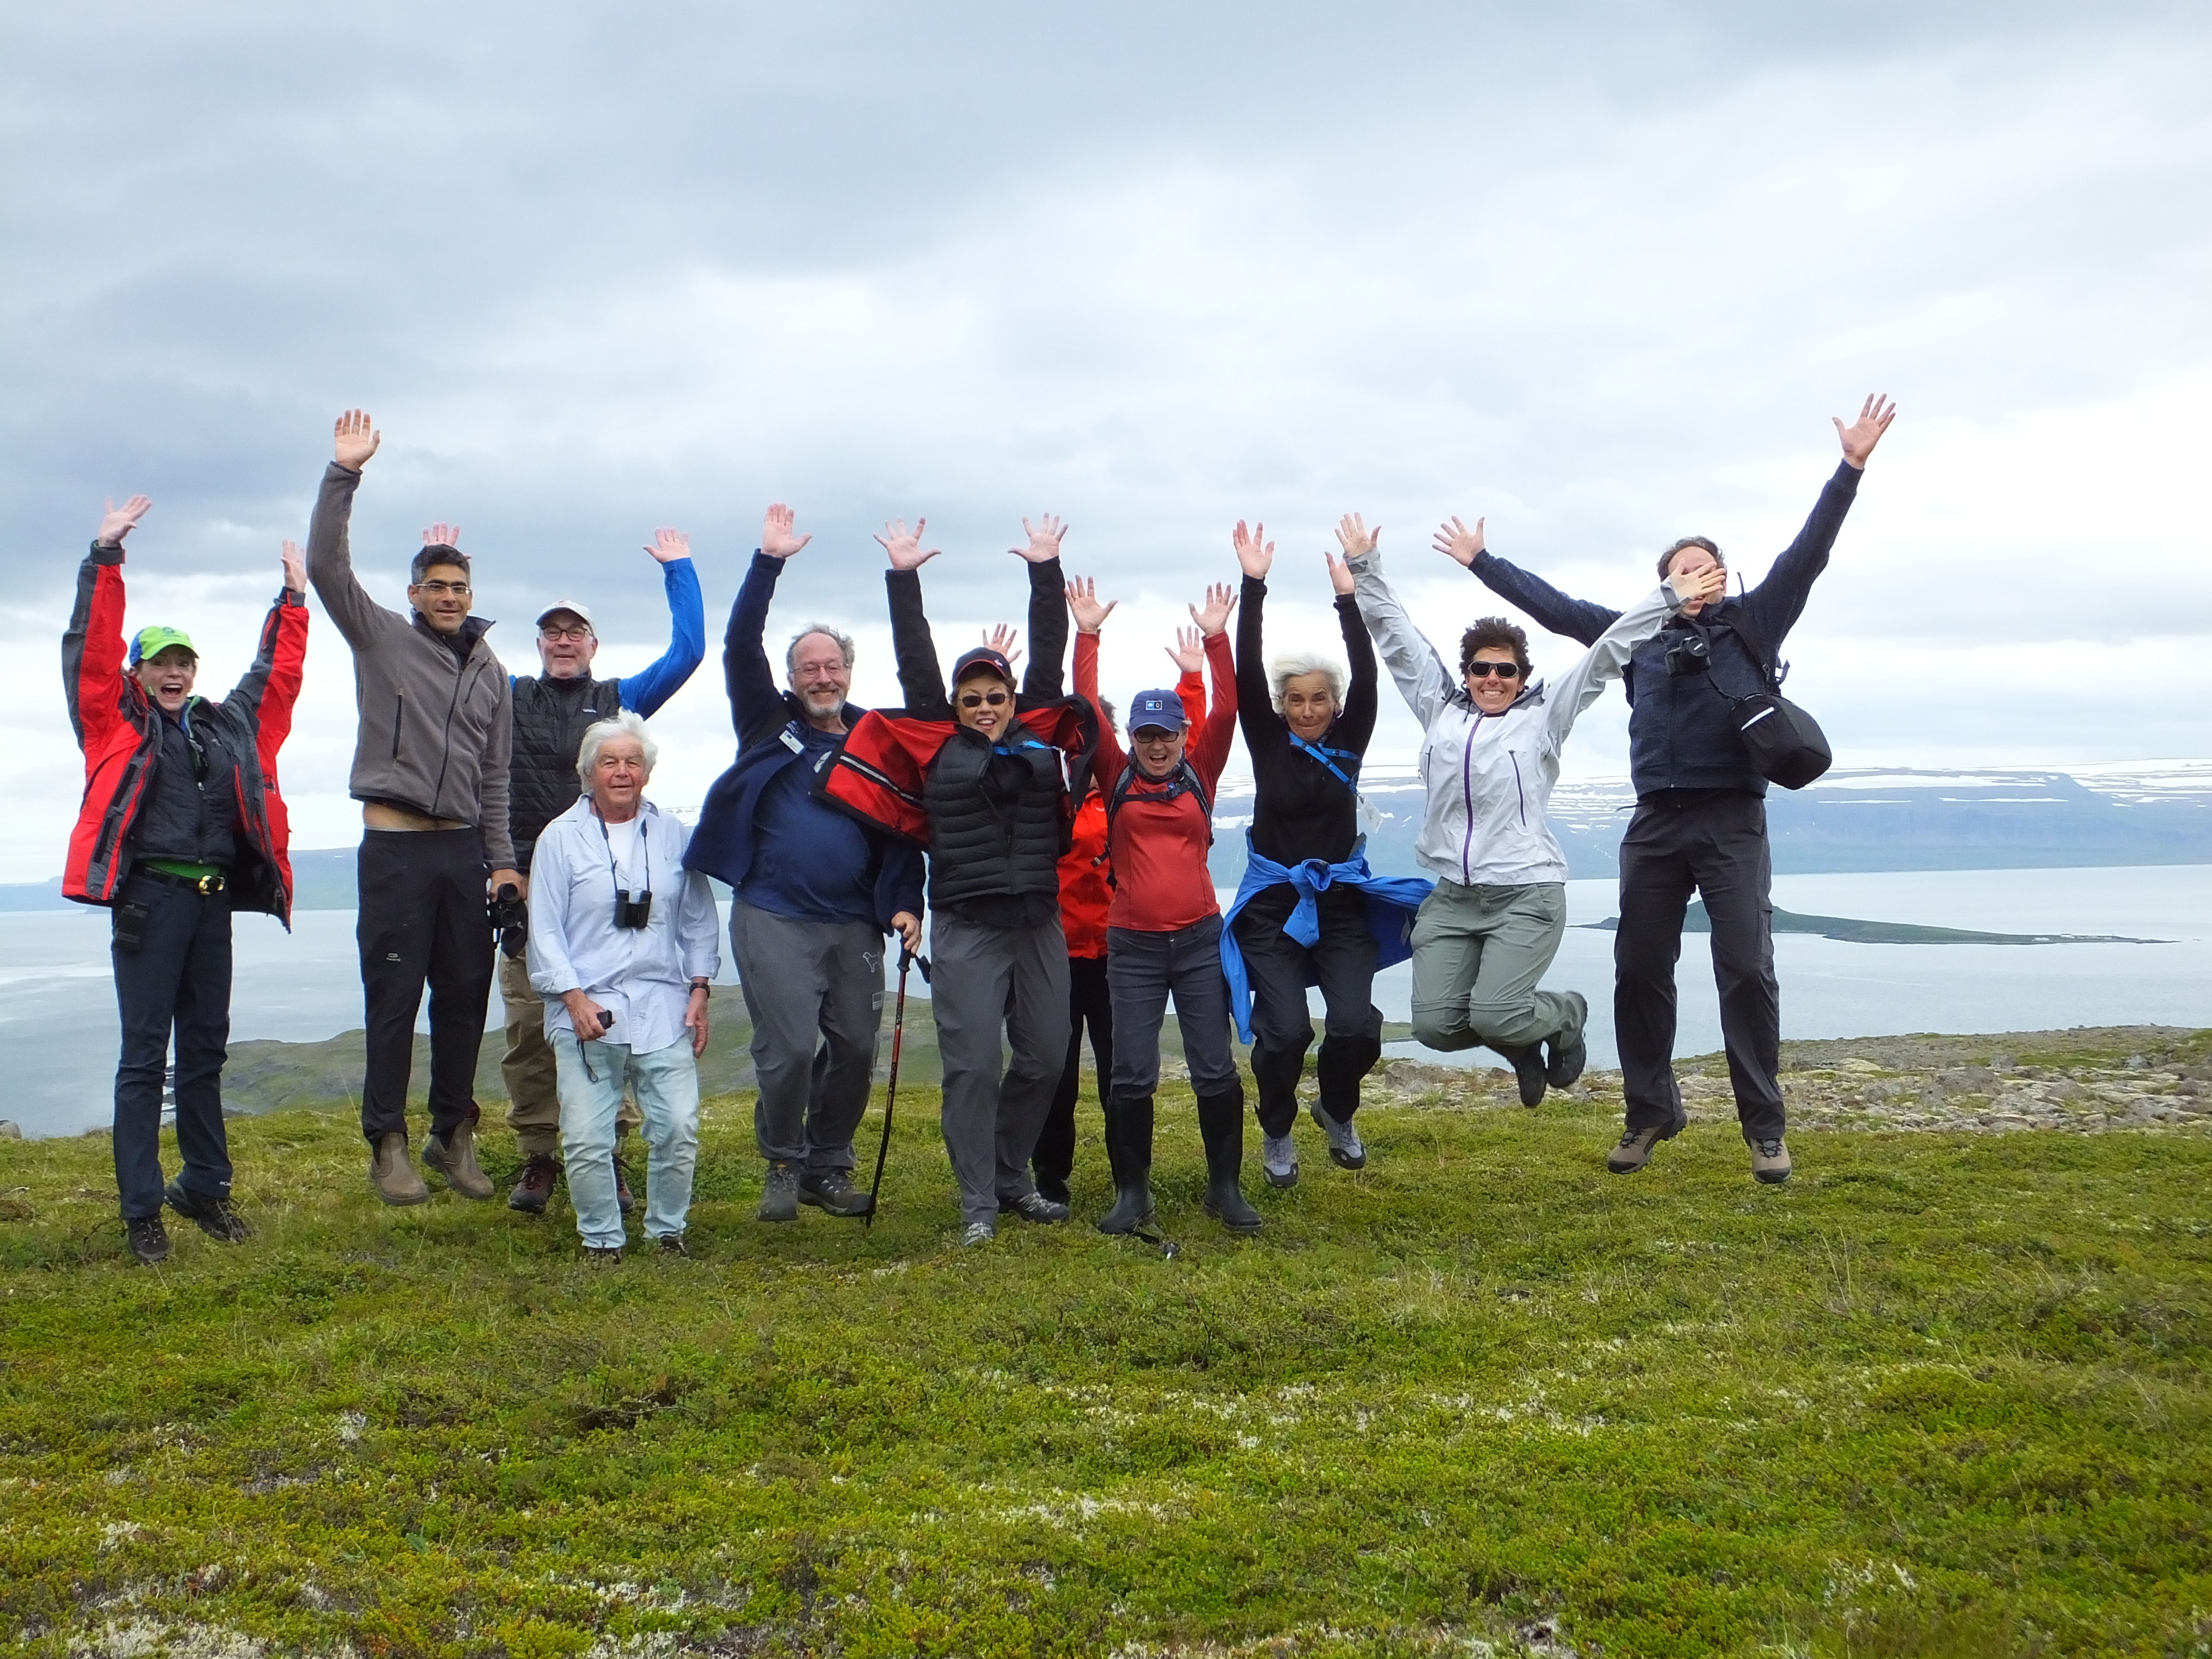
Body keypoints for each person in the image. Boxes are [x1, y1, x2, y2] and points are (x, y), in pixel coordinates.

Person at [1461, 395, 1898, 1183]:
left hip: (1731, 817)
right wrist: (1482, 562)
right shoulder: (1638, 636)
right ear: (1663, 583)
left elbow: (1808, 555)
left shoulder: (1752, 623)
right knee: (1637, 969)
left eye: (1705, 567)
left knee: (1746, 968)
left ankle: (1764, 1130)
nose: (1695, 578)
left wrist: (1849, 468)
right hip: (1655, 821)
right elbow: (1558, 611)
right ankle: (1649, 1113)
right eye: (1681, 570)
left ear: (1722, 577)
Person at [1343, 512, 1725, 1106]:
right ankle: (1524, 1045)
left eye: (1507, 670)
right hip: (1453, 897)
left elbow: (1610, 646)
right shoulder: (1439, 710)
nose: (1493, 679)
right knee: (1435, 1027)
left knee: (1497, 1012)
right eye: (1481, 669)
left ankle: (1564, 1015)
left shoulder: (1546, 715)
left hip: (1525, 895)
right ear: (1467, 674)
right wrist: (1365, 568)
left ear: (1522, 678)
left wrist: (1669, 597)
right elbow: (1397, 640)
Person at [816, 514, 1095, 1247]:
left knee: (1045, 1057)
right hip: (969, 926)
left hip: (1038, 921)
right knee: (972, 1067)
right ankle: (979, 1202)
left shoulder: (1037, 732)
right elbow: (915, 658)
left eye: (994, 697)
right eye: (971, 698)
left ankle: (1009, 1174)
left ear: (1011, 700)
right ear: (957, 704)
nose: (984, 708)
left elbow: (1048, 656)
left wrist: (1046, 569)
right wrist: (903, 575)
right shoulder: (936, 742)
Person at [64, 496, 310, 1264]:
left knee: (204, 1054)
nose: (173, 673)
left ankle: (204, 1187)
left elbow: (276, 679)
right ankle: (143, 1211)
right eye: (159, 663)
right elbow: (89, 654)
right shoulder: (114, 722)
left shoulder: (228, 726)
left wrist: (293, 600)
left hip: (211, 907)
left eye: (183, 663)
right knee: (145, 1059)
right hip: (150, 902)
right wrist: (105, 558)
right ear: (138, 673)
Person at [305, 409, 521, 1206]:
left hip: (463, 853)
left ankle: (451, 1134)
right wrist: (345, 474)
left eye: (459, 588)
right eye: (436, 586)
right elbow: (327, 568)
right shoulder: (382, 638)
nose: (449, 597)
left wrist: (503, 864)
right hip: (395, 849)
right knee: (395, 1000)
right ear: (413, 593)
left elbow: (495, 776)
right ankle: (387, 1142)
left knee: (464, 998)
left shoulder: (491, 672)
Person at [685, 504, 924, 1225]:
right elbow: (738, 646)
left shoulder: (877, 738)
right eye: (808, 668)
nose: (822, 676)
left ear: (849, 671)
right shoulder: (768, 723)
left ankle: (829, 1166)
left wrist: (905, 901)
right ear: (791, 678)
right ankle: (784, 1163)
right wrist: (768, 563)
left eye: (832, 665)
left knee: (854, 1047)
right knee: (788, 1050)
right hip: (774, 916)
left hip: (854, 921)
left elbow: (902, 830)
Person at [498, 527, 706, 1215]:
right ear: (539, 644)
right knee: (531, 1027)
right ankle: (539, 1153)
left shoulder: (622, 701)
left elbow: (688, 653)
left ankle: (606, 1150)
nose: (563, 641)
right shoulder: (509, 697)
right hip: (529, 887)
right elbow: (453, 667)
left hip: (611, 898)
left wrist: (678, 569)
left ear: (593, 645)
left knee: (614, 1019)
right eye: (552, 632)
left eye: (575, 633)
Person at [1222, 521, 1427, 1189]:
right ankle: (1277, 1128)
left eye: (1319, 700)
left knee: (1356, 1028)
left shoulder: (1350, 738)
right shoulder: (1266, 740)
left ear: (1336, 706)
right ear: (1281, 706)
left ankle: (1336, 1111)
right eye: (1296, 700)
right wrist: (1254, 585)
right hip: (1273, 909)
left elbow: (1367, 670)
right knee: (1284, 1033)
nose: (1308, 709)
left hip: (1340, 906)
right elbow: (1245, 668)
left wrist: (1349, 599)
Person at [1066, 577, 1250, 1231]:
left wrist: (1218, 639)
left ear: (1180, 732)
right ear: (1132, 737)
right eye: (1145, 735)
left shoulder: (1202, 770)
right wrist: (1087, 634)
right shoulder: (1114, 773)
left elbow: (1227, 709)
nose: (1156, 745)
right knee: (1130, 1072)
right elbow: (1085, 703)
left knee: (1214, 1066)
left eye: (1166, 733)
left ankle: (1225, 1189)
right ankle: (1132, 1195)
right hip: (1134, 948)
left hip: (1199, 940)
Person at [527, 713, 719, 1258]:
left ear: (647, 773)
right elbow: (545, 929)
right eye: (609, 762)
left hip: (663, 1005)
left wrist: (700, 988)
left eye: (633, 762)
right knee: (587, 1137)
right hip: (587, 1010)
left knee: (678, 1127)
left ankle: (668, 1232)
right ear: (589, 773)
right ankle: (601, 1240)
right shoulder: (559, 839)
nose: (622, 772)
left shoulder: (673, 835)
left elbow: (698, 918)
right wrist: (572, 998)